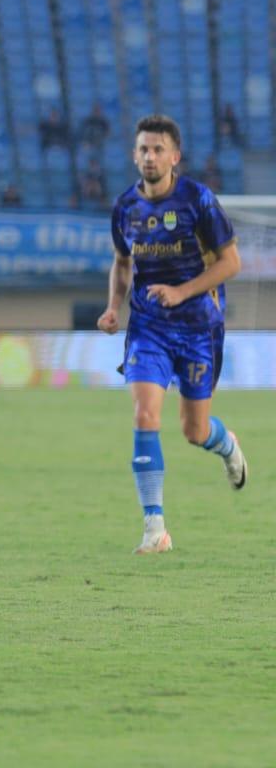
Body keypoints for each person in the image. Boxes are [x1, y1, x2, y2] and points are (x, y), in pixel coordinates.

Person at [97, 114, 246, 555]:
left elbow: (231, 262)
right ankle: (154, 526)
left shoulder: (198, 200)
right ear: (134, 155)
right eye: (143, 149)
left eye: (158, 149)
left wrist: (182, 291)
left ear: (174, 157)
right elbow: (123, 263)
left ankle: (226, 444)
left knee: (194, 431)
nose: (150, 156)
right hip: (149, 327)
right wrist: (112, 307)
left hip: (200, 327)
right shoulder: (125, 207)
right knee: (145, 415)